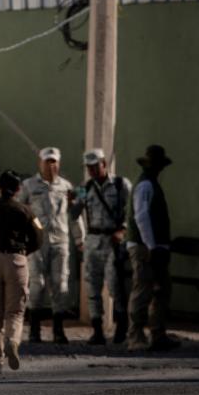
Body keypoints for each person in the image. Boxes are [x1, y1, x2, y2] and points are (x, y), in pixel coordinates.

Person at [0, 170, 42, 374]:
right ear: (19, 189)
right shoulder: (26, 210)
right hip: (17, 260)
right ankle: (12, 342)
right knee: (15, 311)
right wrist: (23, 252)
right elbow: (39, 237)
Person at [19, 147, 80, 345]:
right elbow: (20, 211)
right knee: (37, 285)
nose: (51, 165)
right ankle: (34, 331)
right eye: (47, 161)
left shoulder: (66, 186)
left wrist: (80, 239)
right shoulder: (28, 186)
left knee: (60, 284)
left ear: (58, 163)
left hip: (60, 241)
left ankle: (58, 331)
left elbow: (74, 215)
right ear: (40, 163)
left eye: (54, 161)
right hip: (37, 242)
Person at [72, 148, 131, 345]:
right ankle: (97, 331)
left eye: (95, 166)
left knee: (115, 286)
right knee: (92, 287)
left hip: (112, 241)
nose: (92, 171)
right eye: (89, 167)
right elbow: (73, 214)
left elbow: (131, 211)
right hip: (92, 241)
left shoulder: (121, 185)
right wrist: (70, 202)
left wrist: (123, 230)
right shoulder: (85, 187)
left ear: (104, 164)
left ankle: (121, 327)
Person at [126, 145, 178, 351]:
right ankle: (135, 336)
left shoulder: (149, 184)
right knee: (143, 289)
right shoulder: (145, 186)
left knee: (162, 289)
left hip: (153, 245)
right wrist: (151, 245)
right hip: (144, 246)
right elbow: (141, 216)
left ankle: (158, 333)